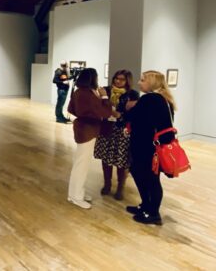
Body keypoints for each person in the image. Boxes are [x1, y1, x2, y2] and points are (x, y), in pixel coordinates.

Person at [125, 71, 176, 225]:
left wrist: (129, 107)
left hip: (146, 146)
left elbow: (132, 117)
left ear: (152, 83)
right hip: (151, 145)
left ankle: (153, 213)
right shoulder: (164, 99)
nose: (139, 83)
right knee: (145, 175)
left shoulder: (150, 99)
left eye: (142, 80)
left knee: (149, 178)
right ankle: (146, 206)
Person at [67, 68, 119, 209]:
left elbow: (71, 109)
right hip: (88, 131)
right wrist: (104, 97)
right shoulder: (87, 94)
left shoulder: (79, 92)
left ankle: (76, 193)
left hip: (83, 129)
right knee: (81, 165)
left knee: (79, 163)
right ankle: (76, 196)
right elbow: (105, 112)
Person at [94, 70, 139, 201]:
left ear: (127, 81)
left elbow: (133, 114)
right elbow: (99, 107)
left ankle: (120, 187)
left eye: (121, 79)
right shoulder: (106, 90)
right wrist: (105, 102)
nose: (118, 81)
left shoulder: (133, 94)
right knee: (105, 158)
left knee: (121, 160)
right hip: (106, 127)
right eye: (116, 78)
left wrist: (120, 114)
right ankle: (107, 184)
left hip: (122, 130)